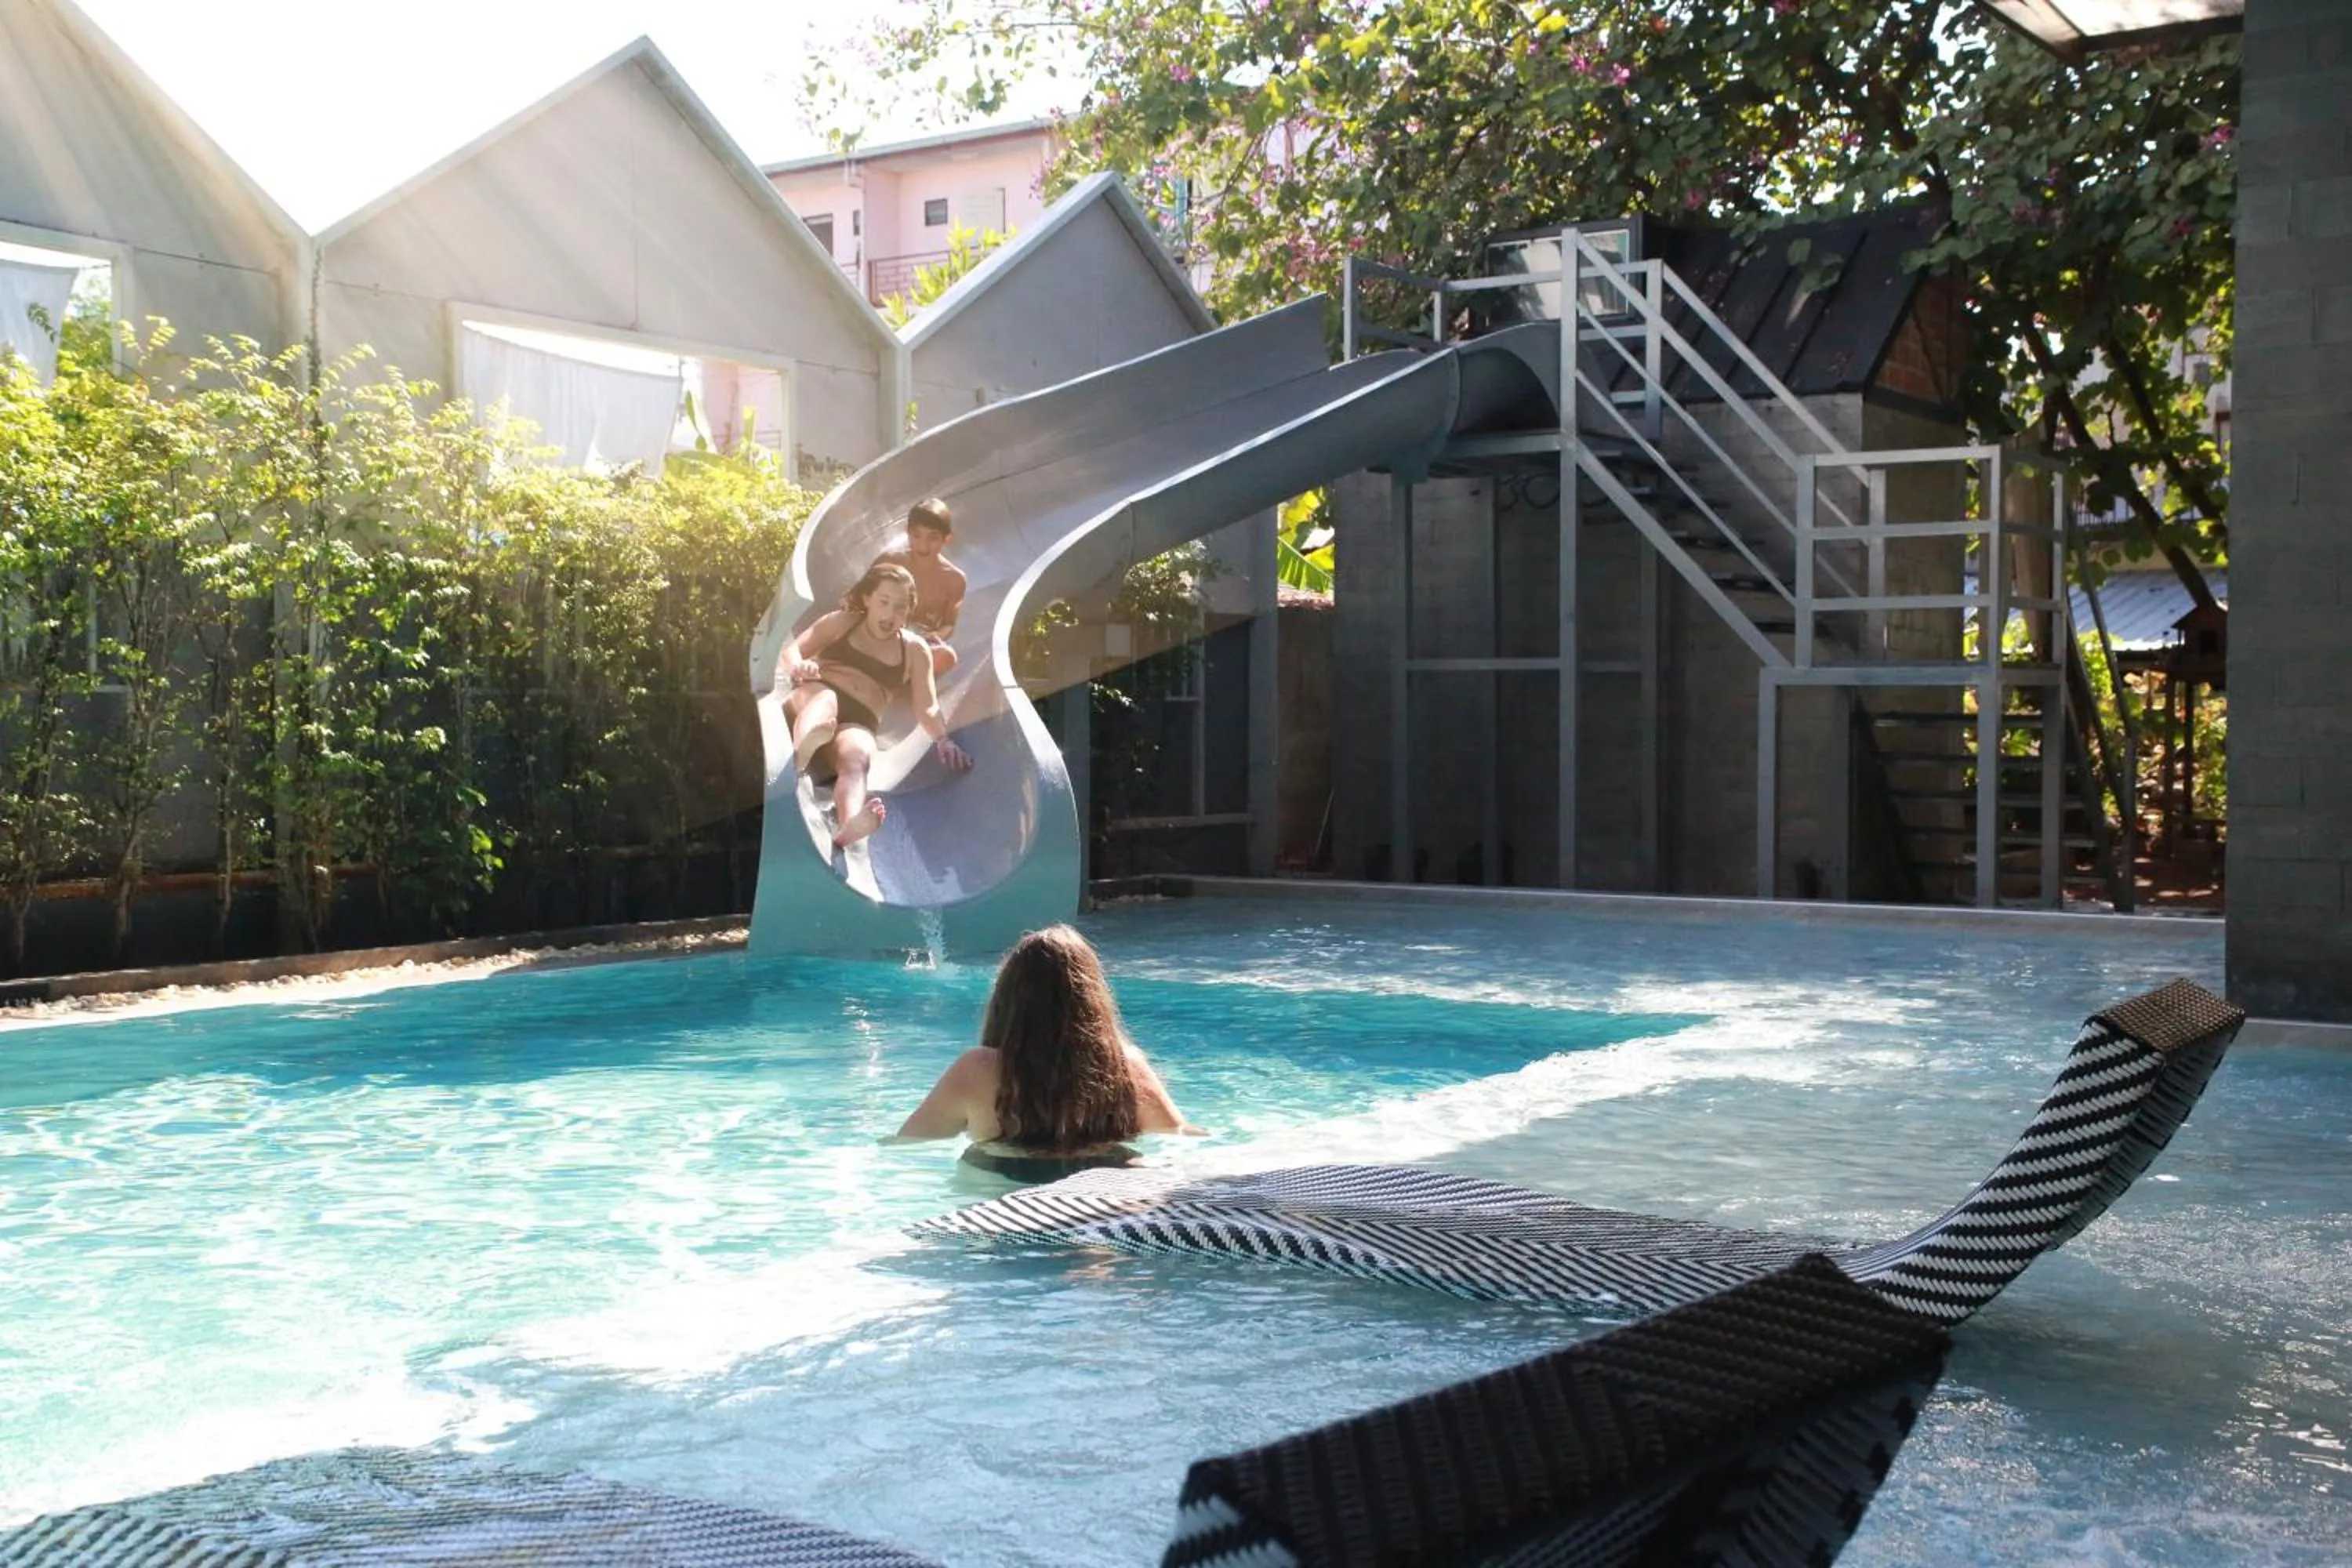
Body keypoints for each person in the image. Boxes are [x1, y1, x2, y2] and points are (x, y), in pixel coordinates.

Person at [895, 924, 1197, 1179]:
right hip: (1104, 1197)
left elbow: (909, 1143)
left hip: (1001, 1198)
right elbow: (1183, 1137)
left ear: (1007, 998)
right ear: (1092, 999)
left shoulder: (978, 1068)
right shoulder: (1126, 1065)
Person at [776, 561, 971, 848]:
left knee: (858, 758)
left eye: (901, 607)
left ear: (909, 611)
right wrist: (799, 667)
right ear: (868, 598)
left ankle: (849, 824)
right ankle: (802, 751)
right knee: (825, 702)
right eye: (884, 602)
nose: (890, 614)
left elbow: (926, 705)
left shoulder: (915, 650)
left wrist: (943, 739)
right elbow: (792, 650)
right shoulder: (841, 622)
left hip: (859, 720)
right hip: (816, 693)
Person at [875, 498, 967, 678]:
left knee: (946, 656)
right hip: (882, 629)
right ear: (907, 532)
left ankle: (902, 673)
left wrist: (935, 635)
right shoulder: (891, 561)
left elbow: (949, 624)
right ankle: (893, 669)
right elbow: (860, 596)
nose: (923, 545)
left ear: (947, 538)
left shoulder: (954, 579)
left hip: (916, 639)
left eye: (932, 538)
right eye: (916, 535)